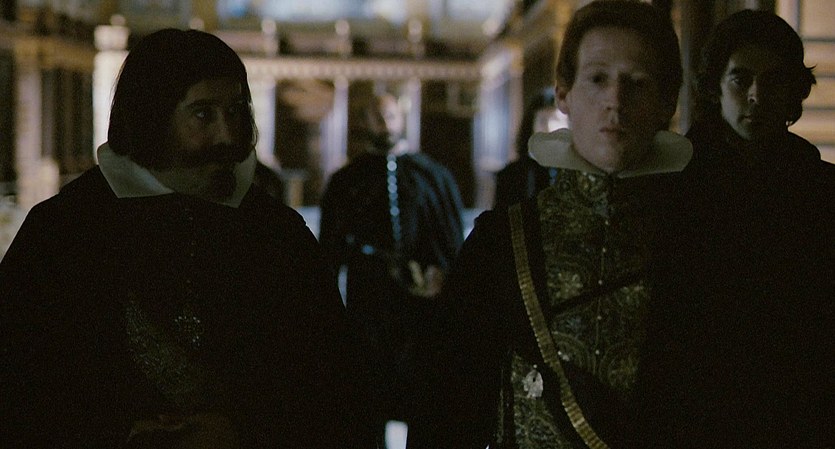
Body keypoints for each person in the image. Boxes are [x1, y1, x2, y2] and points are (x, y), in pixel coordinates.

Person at [0, 28, 373, 448]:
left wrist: (243, 431)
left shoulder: (277, 235)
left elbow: (336, 388)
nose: (227, 135)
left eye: (235, 111)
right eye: (203, 114)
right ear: (152, 117)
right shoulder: (63, 232)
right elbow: (19, 385)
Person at [407, 1, 691, 447]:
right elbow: (447, 411)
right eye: (597, 79)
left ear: (666, 103)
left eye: (636, 83)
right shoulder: (502, 243)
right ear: (563, 95)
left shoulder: (703, 242)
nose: (615, 101)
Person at [638, 10, 835, 448]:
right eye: (740, 79)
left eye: (773, 81)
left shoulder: (821, 191)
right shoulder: (671, 188)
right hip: (694, 416)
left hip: (799, 413)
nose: (756, 96)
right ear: (715, 85)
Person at [319, 92, 465, 447]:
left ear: (402, 117)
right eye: (377, 116)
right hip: (369, 303)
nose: (385, 123)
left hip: (421, 307)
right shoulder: (346, 181)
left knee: (424, 395)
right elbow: (328, 254)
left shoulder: (433, 176)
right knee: (369, 396)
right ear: (365, 122)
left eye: (391, 115)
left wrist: (441, 276)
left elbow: (452, 244)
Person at [493, 88, 564, 210]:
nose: (549, 128)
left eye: (556, 119)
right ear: (531, 126)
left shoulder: (581, 174)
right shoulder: (510, 175)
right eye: (542, 121)